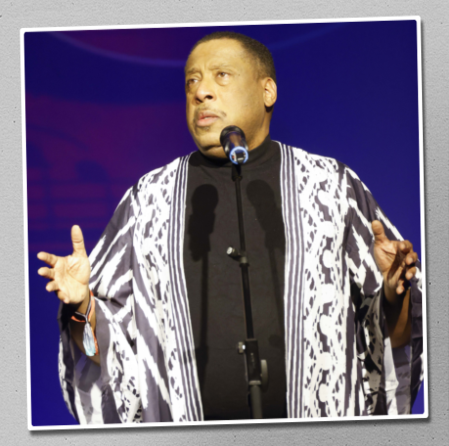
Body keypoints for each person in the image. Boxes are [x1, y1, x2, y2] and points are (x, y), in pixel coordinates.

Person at [37, 31, 423, 423]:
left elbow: (393, 342)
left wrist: (396, 295)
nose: (201, 91)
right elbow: (104, 354)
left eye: (221, 75)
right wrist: (81, 307)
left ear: (267, 91)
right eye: (191, 80)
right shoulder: (149, 199)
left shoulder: (331, 186)